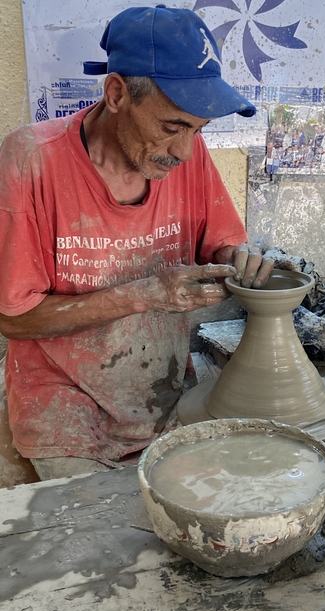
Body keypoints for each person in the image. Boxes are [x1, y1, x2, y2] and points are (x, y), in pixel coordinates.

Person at [0, 6, 273, 481]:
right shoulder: (30, 161)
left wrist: (240, 260)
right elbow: (12, 320)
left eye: (197, 130)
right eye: (171, 127)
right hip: (64, 404)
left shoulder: (186, 155)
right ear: (117, 93)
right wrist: (146, 294)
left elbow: (222, 246)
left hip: (162, 389)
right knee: (105, 534)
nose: (185, 151)